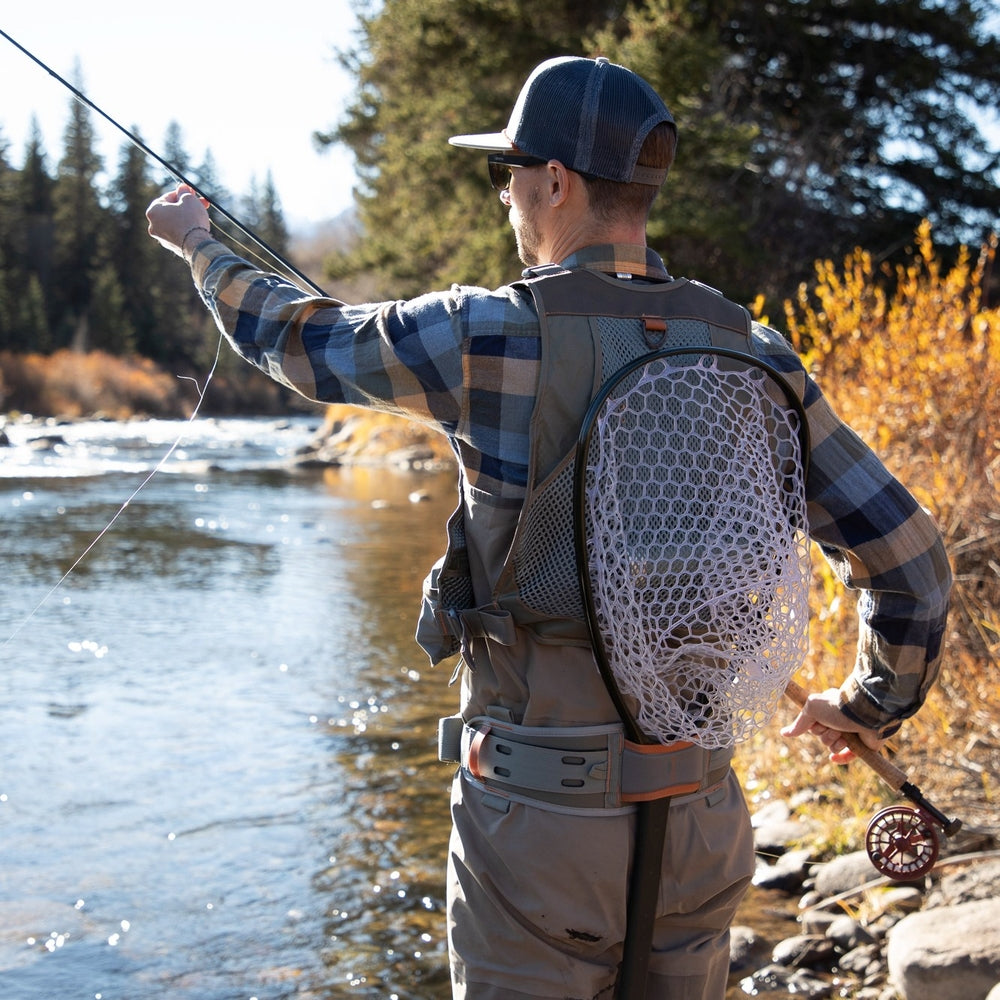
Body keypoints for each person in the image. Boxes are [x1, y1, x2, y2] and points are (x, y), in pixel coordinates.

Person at [146, 55, 952, 1000]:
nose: (506, 198)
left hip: (537, 834)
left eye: (508, 174)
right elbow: (911, 567)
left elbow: (302, 344)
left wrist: (200, 244)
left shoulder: (486, 332)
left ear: (556, 181)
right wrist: (865, 707)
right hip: (700, 825)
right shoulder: (757, 350)